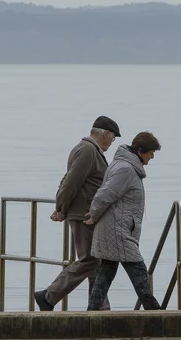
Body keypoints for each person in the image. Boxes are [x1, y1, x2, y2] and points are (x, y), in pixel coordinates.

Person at [33, 115, 121, 311]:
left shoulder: (87, 149)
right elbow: (71, 181)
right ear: (105, 133)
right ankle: (49, 296)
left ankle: (98, 307)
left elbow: (70, 180)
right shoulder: (88, 150)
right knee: (90, 260)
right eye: (113, 138)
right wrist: (61, 208)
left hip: (87, 213)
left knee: (95, 261)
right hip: (83, 214)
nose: (112, 143)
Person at [84, 131, 163, 311]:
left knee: (105, 273)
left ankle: (91, 314)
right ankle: (156, 315)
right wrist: (94, 215)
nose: (152, 157)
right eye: (151, 153)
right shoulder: (126, 169)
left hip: (117, 228)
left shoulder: (124, 165)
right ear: (140, 151)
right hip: (118, 230)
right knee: (139, 272)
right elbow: (105, 194)